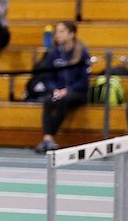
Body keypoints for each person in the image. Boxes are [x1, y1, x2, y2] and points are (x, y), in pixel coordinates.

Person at [33, 21, 90, 152]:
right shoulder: (53, 53)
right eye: (57, 31)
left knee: (62, 100)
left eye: (62, 31)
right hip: (57, 92)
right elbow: (48, 77)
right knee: (48, 100)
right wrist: (54, 89)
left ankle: (48, 138)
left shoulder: (82, 53)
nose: (57, 34)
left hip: (77, 92)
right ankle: (48, 138)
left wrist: (68, 90)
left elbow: (84, 80)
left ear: (71, 34)